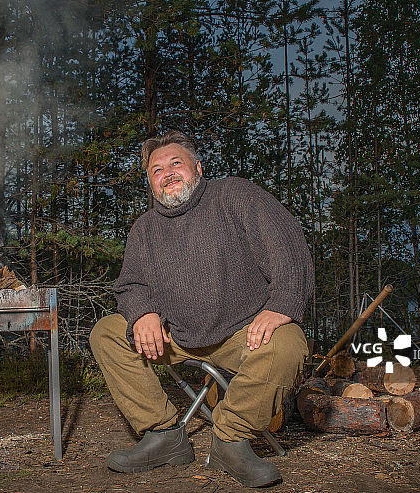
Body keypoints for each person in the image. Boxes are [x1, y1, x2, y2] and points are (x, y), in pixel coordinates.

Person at [90, 130, 314, 488]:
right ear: (150, 183)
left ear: (197, 166)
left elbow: (286, 243)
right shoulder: (143, 229)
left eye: (175, 163)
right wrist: (142, 312)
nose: (167, 173)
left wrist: (282, 304)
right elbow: (130, 285)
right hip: (175, 335)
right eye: (157, 170)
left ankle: (230, 440)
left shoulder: (234, 195)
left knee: (288, 343)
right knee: (107, 333)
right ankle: (163, 435)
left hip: (243, 332)